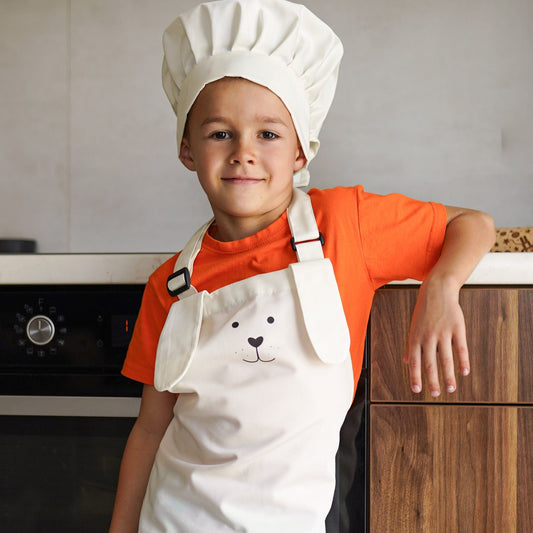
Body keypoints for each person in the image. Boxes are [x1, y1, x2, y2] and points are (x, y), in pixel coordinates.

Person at [109, 1, 495, 531]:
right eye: (220, 133)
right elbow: (151, 430)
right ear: (187, 150)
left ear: (299, 153)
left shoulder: (345, 224)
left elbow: (472, 222)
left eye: (268, 134)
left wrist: (441, 287)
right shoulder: (172, 285)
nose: (244, 152)